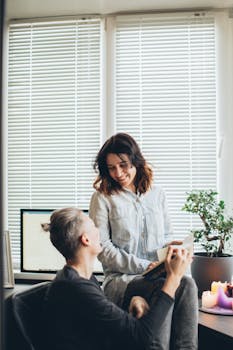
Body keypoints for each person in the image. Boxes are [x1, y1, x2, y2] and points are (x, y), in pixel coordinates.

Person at [42, 207, 196, 350]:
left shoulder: (81, 277)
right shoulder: (75, 287)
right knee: (173, 283)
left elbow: (105, 323)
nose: (99, 232)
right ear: (86, 240)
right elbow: (142, 337)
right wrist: (173, 277)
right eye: (94, 227)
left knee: (184, 283)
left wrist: (134, 300)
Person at [89, 133, 183, 306]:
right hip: (122, 280)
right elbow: (103, 249)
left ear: (136, 160)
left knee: (188, 284)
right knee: (165, 287)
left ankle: (185, 336)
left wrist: (170, 250)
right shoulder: (102, 198)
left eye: (123, 165)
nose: (118, 173)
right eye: (111, 168)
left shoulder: (157, 194)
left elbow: (166, 236)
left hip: (157, 274)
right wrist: (145, 266)